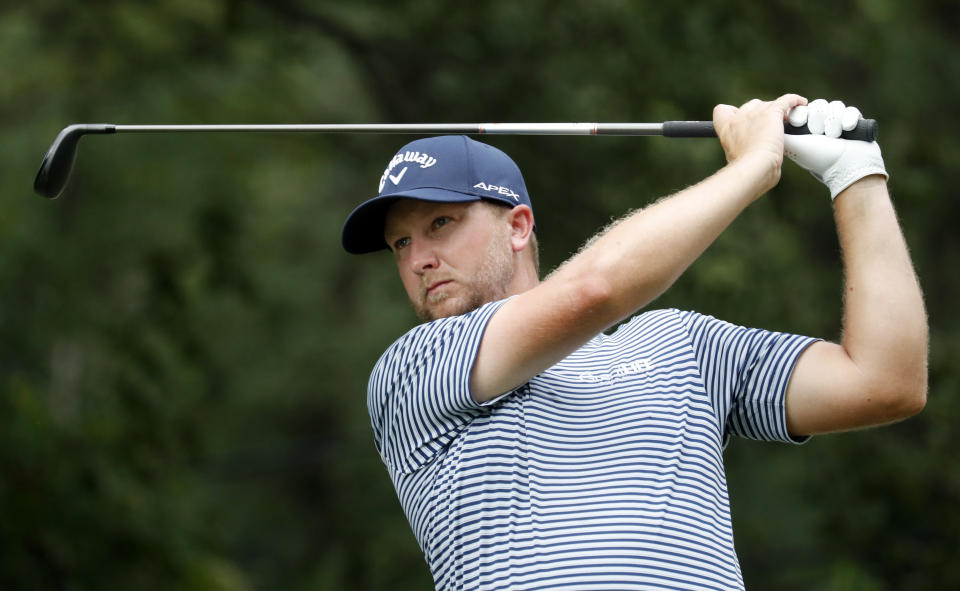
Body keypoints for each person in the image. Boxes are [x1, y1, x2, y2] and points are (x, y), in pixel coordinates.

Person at [340, 94, 927, 590]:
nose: (418, 259)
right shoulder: (414, 368)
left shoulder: (684, 345)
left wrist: (856, 177)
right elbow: (593, 290)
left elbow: (885, 382)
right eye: (400, 244)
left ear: (518, 226)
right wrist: (752, 166)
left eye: (440, 224)